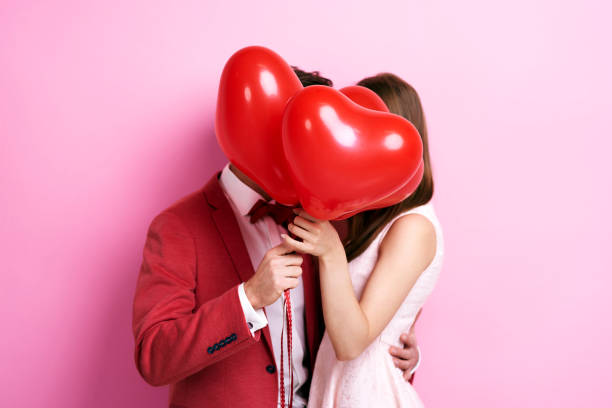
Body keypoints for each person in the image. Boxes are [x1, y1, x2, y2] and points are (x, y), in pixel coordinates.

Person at [131, 69, 421, 408]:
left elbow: (350, 326)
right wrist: (249, 297)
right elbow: (154, 357)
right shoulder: (178, 227)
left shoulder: (322, 221)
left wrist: (400, 352)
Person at [281, 73, 444, 408]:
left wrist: (330, 252)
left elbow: (353, 343)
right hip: (338, 387)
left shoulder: (414, 227)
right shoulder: (372, 217)